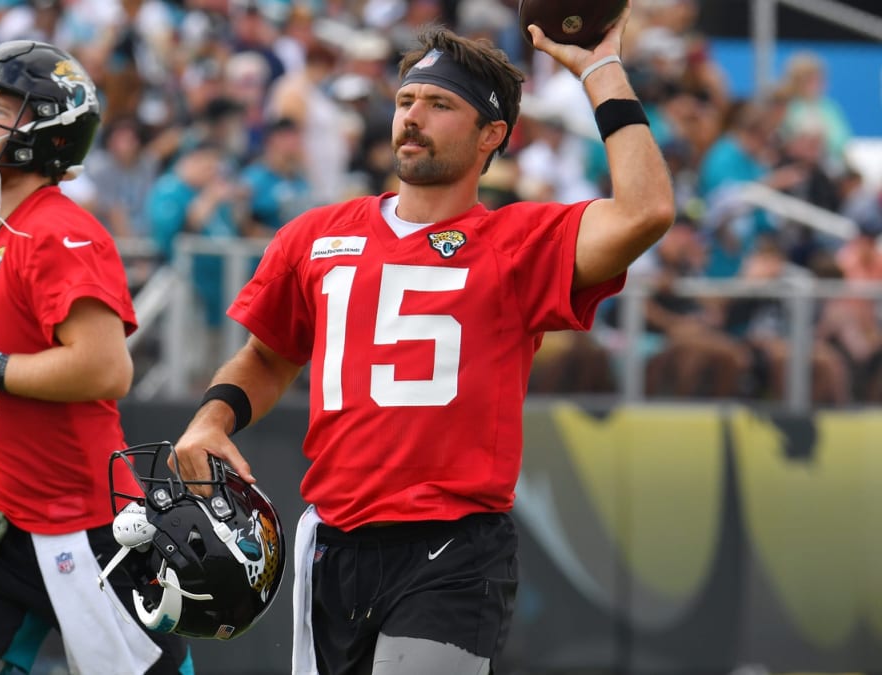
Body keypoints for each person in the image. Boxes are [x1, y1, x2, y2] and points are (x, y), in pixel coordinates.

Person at [173, 15, 674, 675]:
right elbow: (269, 355)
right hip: (334, 540)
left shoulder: (518, 242)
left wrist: (599, 68)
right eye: (407, 99)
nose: (413, 116)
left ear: (492, 133)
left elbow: (645, 211)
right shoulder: (314, 236)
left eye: (440, 105)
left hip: (452, 547)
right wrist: (212, 418)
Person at [0, 40, 190, 675]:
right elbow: (20, 370)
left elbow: (105, 369)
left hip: (88, 523)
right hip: (1, 520)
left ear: (49, 133)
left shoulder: (58, 231)